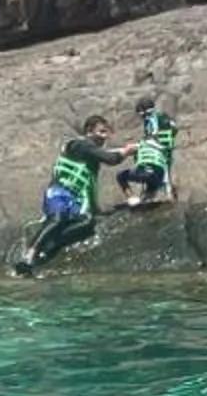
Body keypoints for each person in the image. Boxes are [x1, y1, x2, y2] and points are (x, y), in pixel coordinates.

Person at [16, 113, 135, 275]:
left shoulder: (91, 164)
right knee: (58, 218)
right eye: (101, 132)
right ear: (89, 132)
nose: (104, 137)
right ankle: (29, 255)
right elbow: (110, 158)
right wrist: (128, 151)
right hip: (58, 193)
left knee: (88, 224)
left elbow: (90, 193)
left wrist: (108, 211)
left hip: (75, 201)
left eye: (106, 133)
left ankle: (40, 258)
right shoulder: (78, 145)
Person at [119, 96, 179, 208]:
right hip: (167, 150)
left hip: (156, 152)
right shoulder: (164, 117)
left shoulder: (150, 119)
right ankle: (166, 197)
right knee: (166, 174)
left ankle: (157, 197)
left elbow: (153, 134)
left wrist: (143, 143)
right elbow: (175, 129)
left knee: (151, 172)